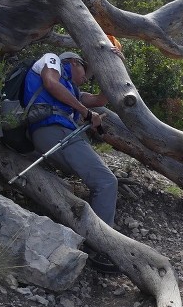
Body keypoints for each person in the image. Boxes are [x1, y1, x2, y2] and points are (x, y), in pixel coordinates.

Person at [23, 50, 119, 227]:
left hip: (54, 135)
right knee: (106, 181)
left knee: (103, 180)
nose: (86, 78)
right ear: (74, 62)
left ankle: (94, 234)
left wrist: (116, 67)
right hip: (54, 131)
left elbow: (100, 100)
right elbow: (51, 83)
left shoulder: (72, 90)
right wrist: (85, 112)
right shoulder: (52, 59)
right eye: (85, 70)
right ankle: (102, 243)